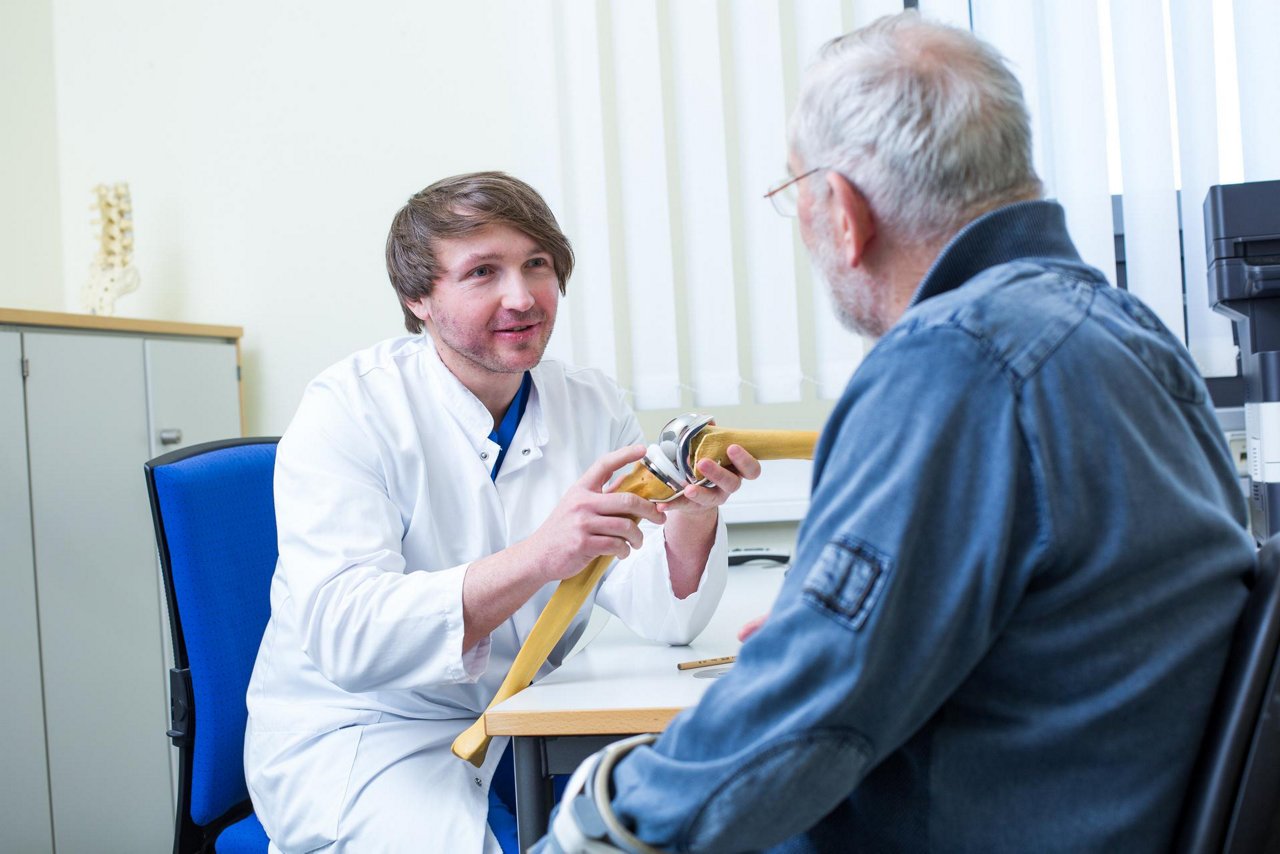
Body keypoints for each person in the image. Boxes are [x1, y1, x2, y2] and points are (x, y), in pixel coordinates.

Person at [535, 12, 1255, 853]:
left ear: (841, 210)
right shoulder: (1129, 333)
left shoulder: (955, 362)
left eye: (793, 196)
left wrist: (593, 814)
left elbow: (802, 724)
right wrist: (843, 645)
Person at [243, 172, 761, 853]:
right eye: (483, 272)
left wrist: (692, 513)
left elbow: (663, 616)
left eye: (536, 266)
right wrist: (540, 556)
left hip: (526, 716)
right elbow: (348, 636)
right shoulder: (349, 410)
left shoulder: (590, 403)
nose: (522, 298)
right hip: (366, 731)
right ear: (418, 296)